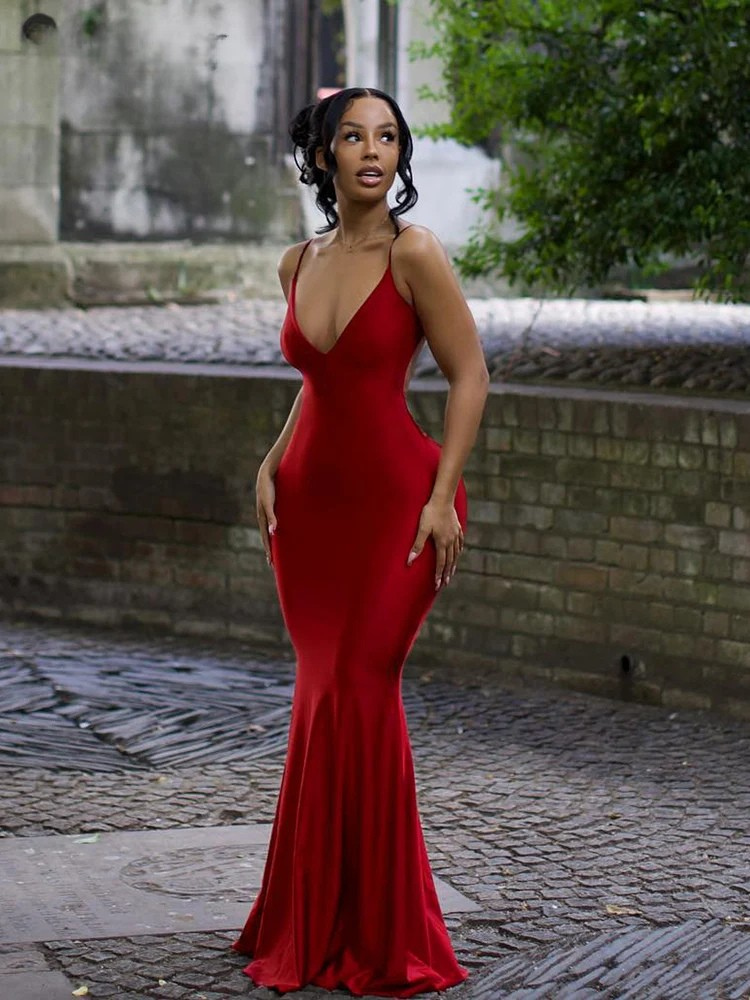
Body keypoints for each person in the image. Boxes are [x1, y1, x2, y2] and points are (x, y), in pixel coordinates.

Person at [231, 86, 489, 997]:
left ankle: (382, 932)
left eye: (387, 136)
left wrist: (443, 497)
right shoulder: (296, 261)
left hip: (395, 508)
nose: (371, 150)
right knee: (319, 693)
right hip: (307, 509)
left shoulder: (415, 254)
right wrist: (270, 459)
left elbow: (470, 377)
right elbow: (322, 382)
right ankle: (307, 916)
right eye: (353, 136)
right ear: (326, 156)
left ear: (397, 155)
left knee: (363, 687)